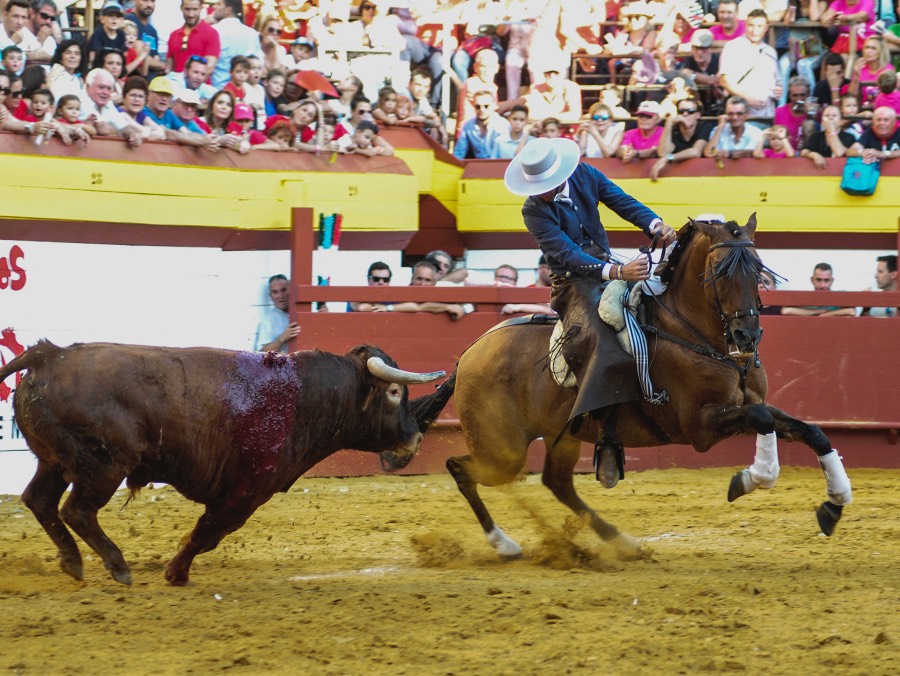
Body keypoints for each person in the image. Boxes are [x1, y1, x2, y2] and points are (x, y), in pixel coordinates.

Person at [503, 136, 676, 471]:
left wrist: (654, 224)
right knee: (600, 339)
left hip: (610, 265)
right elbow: (566, 253)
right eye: (537, 186)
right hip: (572, 283)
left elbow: (622, 201)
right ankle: (608, 433)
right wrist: (617, 271)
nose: (542, 192)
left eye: (547, 185)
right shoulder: (533, 210)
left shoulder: (585, 175)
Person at [718, 9, 782, 119]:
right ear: (745, 25)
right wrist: (747, 99)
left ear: (766, 28)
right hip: (741, 115)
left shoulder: (770, 52)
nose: (754, 30)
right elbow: (724, 81)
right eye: (751, 25)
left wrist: (777, 91)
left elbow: (778, 82)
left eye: (759, 26)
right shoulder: (733, 47)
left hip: (767, 114)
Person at [650, 98, 712, 181]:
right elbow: (663, 153)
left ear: (698, 115)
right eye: (681, 111)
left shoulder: (704, 127)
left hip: (703, 177)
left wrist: (669, 158)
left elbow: (695, 152)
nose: (685, 114)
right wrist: (669, 123)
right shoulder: (674, 130)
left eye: (690, 111)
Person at [210, 0, 261, 89]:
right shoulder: (252, 34)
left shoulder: (213, 31)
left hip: (217, 89)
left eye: (218, 4)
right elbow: (259, 64)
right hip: (243, 90)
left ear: (228, 10)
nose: (214, 6)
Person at [166, 0, 220, 76]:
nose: (191, 14)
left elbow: (209, 67)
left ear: (201, 8)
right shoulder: (173, 35)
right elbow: (169, 68)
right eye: (187, 9)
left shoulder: (211, 33)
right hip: (176, 85)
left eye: (195, 9)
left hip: (199, 87)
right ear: (181, 8)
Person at [781, 263, 856, 316]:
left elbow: (851, 312)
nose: (822, 285)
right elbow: (786, 311)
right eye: (818, 280)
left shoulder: (839, 297)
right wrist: (818, 312)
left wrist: (827, 314)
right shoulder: (805, 298)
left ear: (832, 281)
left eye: (826, 280)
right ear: (812, 280)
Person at [453, 90, 509, 159]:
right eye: (478, 107)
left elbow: (506, 154)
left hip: (498, 165)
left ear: (494, 106)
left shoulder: (502, 124)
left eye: (486, 106)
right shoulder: (469, 125)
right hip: (478, 165)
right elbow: (459, 153)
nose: (482, 109)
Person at [705, 95, 764, 160]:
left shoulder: (755, 132)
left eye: (739, 113)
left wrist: (729, 153)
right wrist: (721, 126)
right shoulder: (718, 130)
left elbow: (751, 153)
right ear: (725, 114)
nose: (734, 117)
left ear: (747, 115)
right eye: (730, 113)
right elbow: (709, 153)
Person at [254, 274, 300, 352]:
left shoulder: (305, 312)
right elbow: (261, 354)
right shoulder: (268, 321)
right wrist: (282, 338)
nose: (280, 296)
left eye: (283, 290)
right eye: (275, 292)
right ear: (271, 296)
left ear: (291, 291)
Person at [125, 0, 165, 79]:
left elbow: (155, 57)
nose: (149, 4)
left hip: (151, 82)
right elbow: (138, 55)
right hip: (133, 81)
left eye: (152, 1)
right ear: (135, 1)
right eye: (145, 0)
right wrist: (163, 66)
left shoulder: (152, 30)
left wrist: (157, 64)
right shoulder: (129, 21)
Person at [87, 1, 127, 68]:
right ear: (102, 19)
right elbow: (92, 57)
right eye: (110, 15)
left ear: (121, 20)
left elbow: (124, 54)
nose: (114, 19)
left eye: (118, 16)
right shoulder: (98, 33)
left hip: (116, 68)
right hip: (99, 68)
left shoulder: (121, 34)